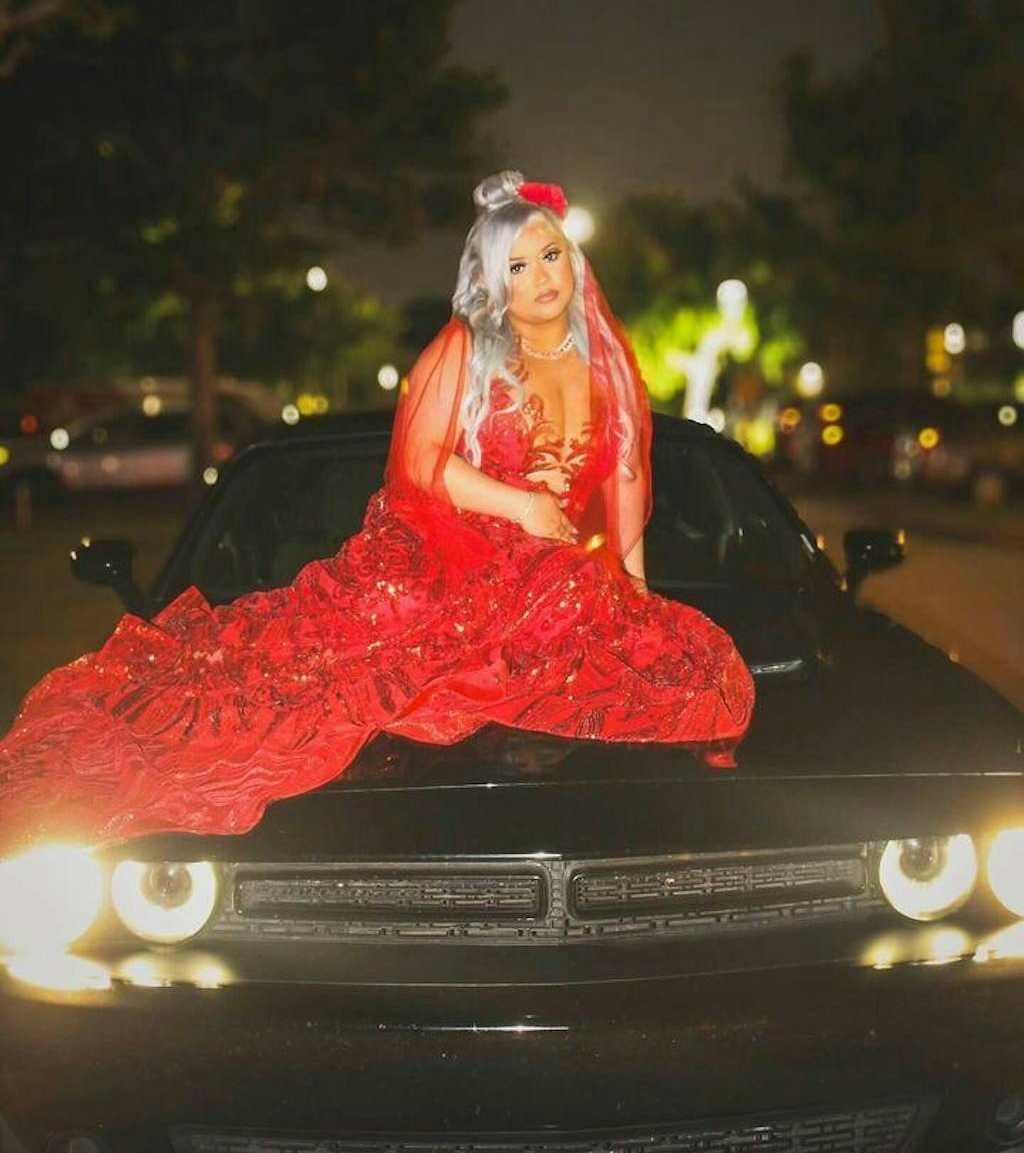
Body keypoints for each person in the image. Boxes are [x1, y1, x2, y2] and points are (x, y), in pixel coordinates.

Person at [0, 171, 755, 857]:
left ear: (574, 260)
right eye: (517, 266)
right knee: (309, 678)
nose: (541, 277)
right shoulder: (464, 349)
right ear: (493, 282)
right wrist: (522, 504)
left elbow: (625, 486)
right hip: (446, 554)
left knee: (689, 661)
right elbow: (420, 462)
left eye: (550, 255)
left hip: (552, 580)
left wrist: (635, 592)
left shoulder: (610, 365)